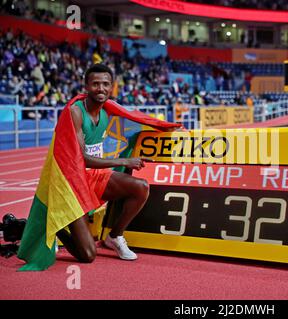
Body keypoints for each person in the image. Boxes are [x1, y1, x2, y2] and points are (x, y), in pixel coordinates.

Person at [18, 64, 181, 270]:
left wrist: (162, 127)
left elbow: (133, 120)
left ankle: (115, 236)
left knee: (141, 187)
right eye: (95, 84)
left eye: (105, 84)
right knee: (87, 255)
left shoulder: (107, 110)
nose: (101, 88)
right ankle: (57, 226)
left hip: (94, 176)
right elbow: (81, 159)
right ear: (86, 86)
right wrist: (123, 161)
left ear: (112, 86)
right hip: (71, 185)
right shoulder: (75, 113)